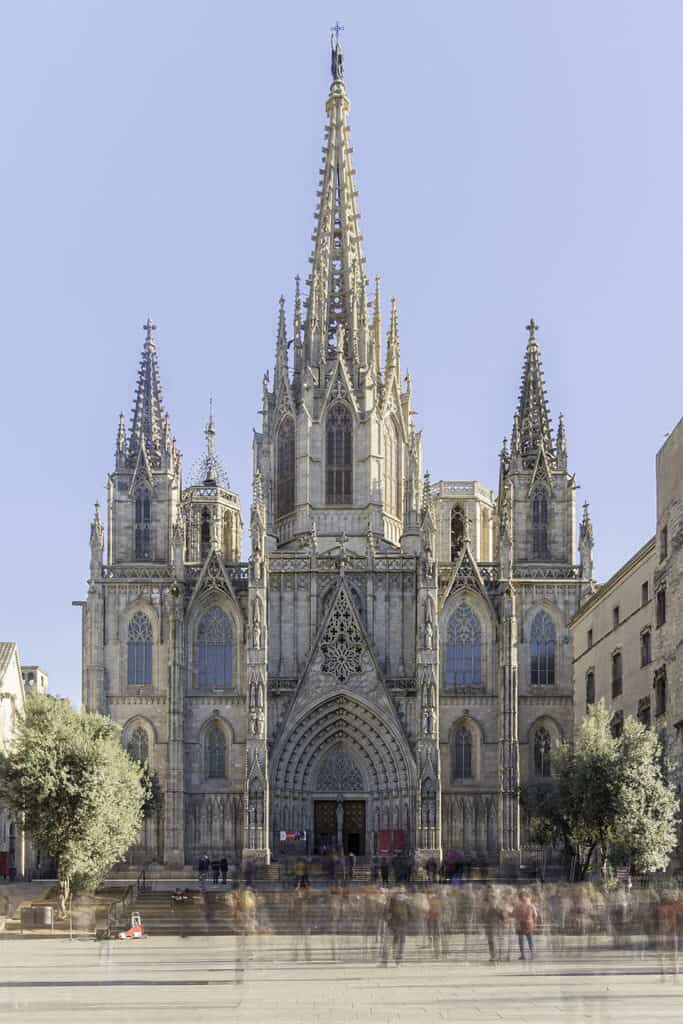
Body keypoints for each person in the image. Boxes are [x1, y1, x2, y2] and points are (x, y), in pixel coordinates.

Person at [513, 890, 538, 961]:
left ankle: (523, 955)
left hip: (521, 923)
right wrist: (534, 922)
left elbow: (514, 914)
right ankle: (532, 954)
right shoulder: (531, 904)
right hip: (529, 923)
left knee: (521, 940)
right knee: (530, 939)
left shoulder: (517, 905)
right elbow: (535, 915)